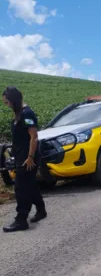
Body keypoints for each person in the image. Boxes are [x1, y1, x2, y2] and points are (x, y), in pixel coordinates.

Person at [2, 86, 47, 233]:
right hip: (21, 155)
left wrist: (30, 157)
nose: (6, 105)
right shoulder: (20, 113)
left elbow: (34, 137)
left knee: (21, 188)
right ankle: (41, 210)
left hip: (28, 157)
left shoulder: (27, 114)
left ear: (14, 100)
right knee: (30, 185)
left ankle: (21, 220)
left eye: (7, 102)